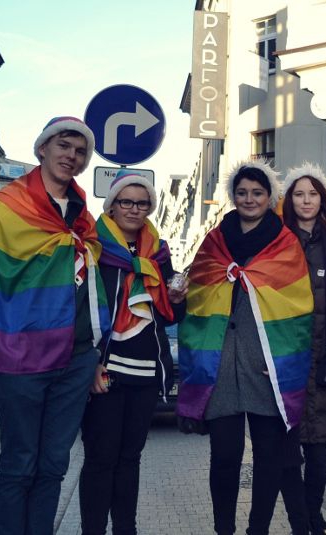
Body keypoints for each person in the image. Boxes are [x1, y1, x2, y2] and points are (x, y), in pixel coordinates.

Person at [0, 116, 112, 534]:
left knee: (54, 465)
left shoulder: (82, 216)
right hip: (20, 357)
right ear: (43, 148)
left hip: (76, 359)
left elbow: (91, 283)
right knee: (19, 465)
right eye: (64, 146)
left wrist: (95, 352)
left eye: (80, 151)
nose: (71, 156)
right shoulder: (6, 206)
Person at [177, 159, 314, 535]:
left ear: (270, 197)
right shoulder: (214, 242)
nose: (249, 199)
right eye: (242, 192)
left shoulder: (285, 243)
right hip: (221, 367)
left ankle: (258, 529)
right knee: (224, 457)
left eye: (257, 192)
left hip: (267, 366)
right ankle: (224, 529)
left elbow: (298, 308)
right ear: (233, 196)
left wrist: (284, 363)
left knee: (270, 459)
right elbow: (199, 296)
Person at [78, 170, 188, 535]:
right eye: (126, 201)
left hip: (146, 371)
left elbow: (170, 315)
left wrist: (177, 298)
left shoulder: (159, 252)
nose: (134, 209)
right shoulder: (92, 247)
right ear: (112, 206)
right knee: (100, 459)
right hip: (106, 369)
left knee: (130, 459)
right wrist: (90, 363)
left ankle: (126, 529)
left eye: (143, 203)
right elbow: (80, 309)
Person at [278, 163, 326, 535]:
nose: (306, 200)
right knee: (287, 453)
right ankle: (300, 521)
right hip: (288, 361)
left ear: (323, 199)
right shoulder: (277, 240)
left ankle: (313, 516)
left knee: (321, 451)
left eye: (313, 193)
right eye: (299, 194)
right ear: (289, 200)